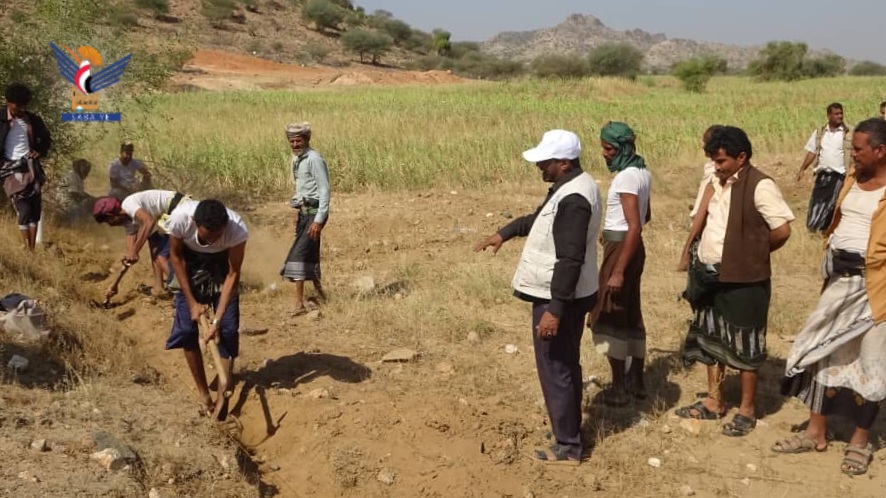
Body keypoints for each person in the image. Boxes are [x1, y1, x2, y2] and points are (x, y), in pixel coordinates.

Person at [475, 129, 602, 465]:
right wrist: (503, 233)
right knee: (566, 364)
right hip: (572, 294)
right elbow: (537, 220)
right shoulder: (571, 187)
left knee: (555, 367)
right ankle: (568, 428)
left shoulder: (573, 199)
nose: (539, 167)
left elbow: (570, 259)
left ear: (563, 162)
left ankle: (568, 446)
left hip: (559, 297)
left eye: (544, 161)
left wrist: (555, 310)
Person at [774, 118, 886, 476]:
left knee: (872, 364)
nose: (851, 154)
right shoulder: (852, 180)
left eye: (858, 149)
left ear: (880, 151)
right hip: (838, 284)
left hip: (875, 291)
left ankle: (859, 441)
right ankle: (815, 433)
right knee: (821, 352)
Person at [676, 126, 794, 437]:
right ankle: (715, 401)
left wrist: (750, 253)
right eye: (714, 160)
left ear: (742, 157)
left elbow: (782, 230)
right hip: (710, 275)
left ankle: (747, 410)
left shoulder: (761, 185)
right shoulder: (717, 181)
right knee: (712, 338)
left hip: (744, 279)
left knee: (746, 343)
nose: (717, 166)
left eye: (722, 161)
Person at [166, 199, 247, 420]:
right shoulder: (180, 219)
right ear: (195, 223)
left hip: (222, 266)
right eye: (206, 236)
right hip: (189, 264)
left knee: (229, 331)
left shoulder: (237, 229)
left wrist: (216, 321)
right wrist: (192, 302)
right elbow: (176, 256)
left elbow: (233, 274)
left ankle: (223, 393)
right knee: (186, 332)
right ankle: (203, 393)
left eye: (217, 236)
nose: (212, 240)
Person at [589, 122, 652, 406]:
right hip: (629, 247)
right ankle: (637, 381)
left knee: (610, 312)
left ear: (623, 148)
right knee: (631, 311)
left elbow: (635, 226)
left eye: (609, 148)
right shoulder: (642, 172)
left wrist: (617, 269)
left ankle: (618, 387)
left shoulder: (626, 178)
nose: (605, 154)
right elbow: (644, 217)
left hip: (623, 248)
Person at [93, 190, 193, 298]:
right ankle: (158, 288)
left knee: (161, 256)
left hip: (181, 209)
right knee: (154, 241)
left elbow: (149, 221)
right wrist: (115, 285)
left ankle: (187, 290)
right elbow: (130, 256)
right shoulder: (129, 222)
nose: (111, 225)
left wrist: (135, 251)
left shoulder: (128, 204)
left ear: (112, 215)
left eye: (109, 221)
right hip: (171, 214)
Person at [280, 122, 330, 315]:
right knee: (310, 253)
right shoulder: (296, 159)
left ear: (307, 140)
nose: (294, 144)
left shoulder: (314, 159)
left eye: (298, 140)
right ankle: (320, 294)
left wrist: (319, 220)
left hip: (315, 213)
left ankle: (299, 303)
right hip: (304, 212)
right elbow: (302, 189)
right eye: (291, 141)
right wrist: (298, 210)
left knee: (298, 255)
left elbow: (324, 190)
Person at [0, 83, 51, 250]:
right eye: (17, 105)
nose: (20, 109)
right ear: (9, 102)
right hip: (9, 168)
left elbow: (46, 139)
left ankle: (31, 250)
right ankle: (26, 248)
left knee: (34, 207)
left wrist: (39, 151)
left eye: (23, 106)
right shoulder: (1, 118)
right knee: (23, 206)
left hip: (30, 166)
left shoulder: (33, 120)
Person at [796, 103, 853, 232]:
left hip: (839, 174)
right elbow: (812, 152)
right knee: (816, 200)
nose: (840, 116)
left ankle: (824, 229)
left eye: (841, 113)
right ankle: (812, 228)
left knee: (831, 202)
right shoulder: (820, 132)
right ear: (828, 115)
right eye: (836, 114)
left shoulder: (848, 133)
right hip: (822, 174)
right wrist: (802, 169)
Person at [55, 159, 94, 224]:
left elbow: (80, 193)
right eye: (86, 170)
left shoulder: (77, 177)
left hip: (66, 203)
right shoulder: (73, 176)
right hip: (66, 205)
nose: (87, 173)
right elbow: (74, 195)